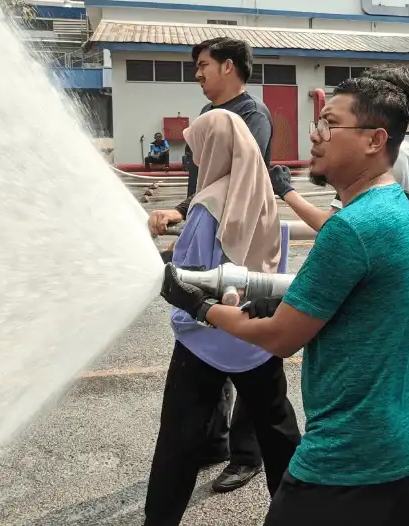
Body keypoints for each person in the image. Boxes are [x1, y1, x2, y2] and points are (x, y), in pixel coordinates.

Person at [162, 76, 409, 526]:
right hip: (408, 436)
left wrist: (200, 307)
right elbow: (347, 299)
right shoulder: (391, 206)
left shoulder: (350, 228)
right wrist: (280, 300)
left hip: (351, 456)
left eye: (330, 125)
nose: (315, 135)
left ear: (374, 140)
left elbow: (278, 338)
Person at [269, 65, 409, 525]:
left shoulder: (380, 167)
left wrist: (288, 194)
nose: (324, 132)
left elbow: (334, 231)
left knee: (380, 391)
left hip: (379, 298)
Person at [147, 110, 301, 526]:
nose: (191, 160)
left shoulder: (208, 203)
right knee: (278, 431)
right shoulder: (263, 193)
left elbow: (189, 273)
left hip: (204, 340)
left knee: (178, 443)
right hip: (256, 338)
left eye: (195, 151)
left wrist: (158, 260)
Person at [147, 37, 279, 494]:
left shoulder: (249, 117)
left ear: (228, 66)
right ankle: (214, 441)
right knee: (218, 353)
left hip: (234, 241)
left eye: (203, 65)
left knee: (245, 355)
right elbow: (205, 183)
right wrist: (184, 213)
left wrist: (190, 219)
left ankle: (246, 454)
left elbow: (234, 182)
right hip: (207, 225)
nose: (197, 74)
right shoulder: (210, 118)